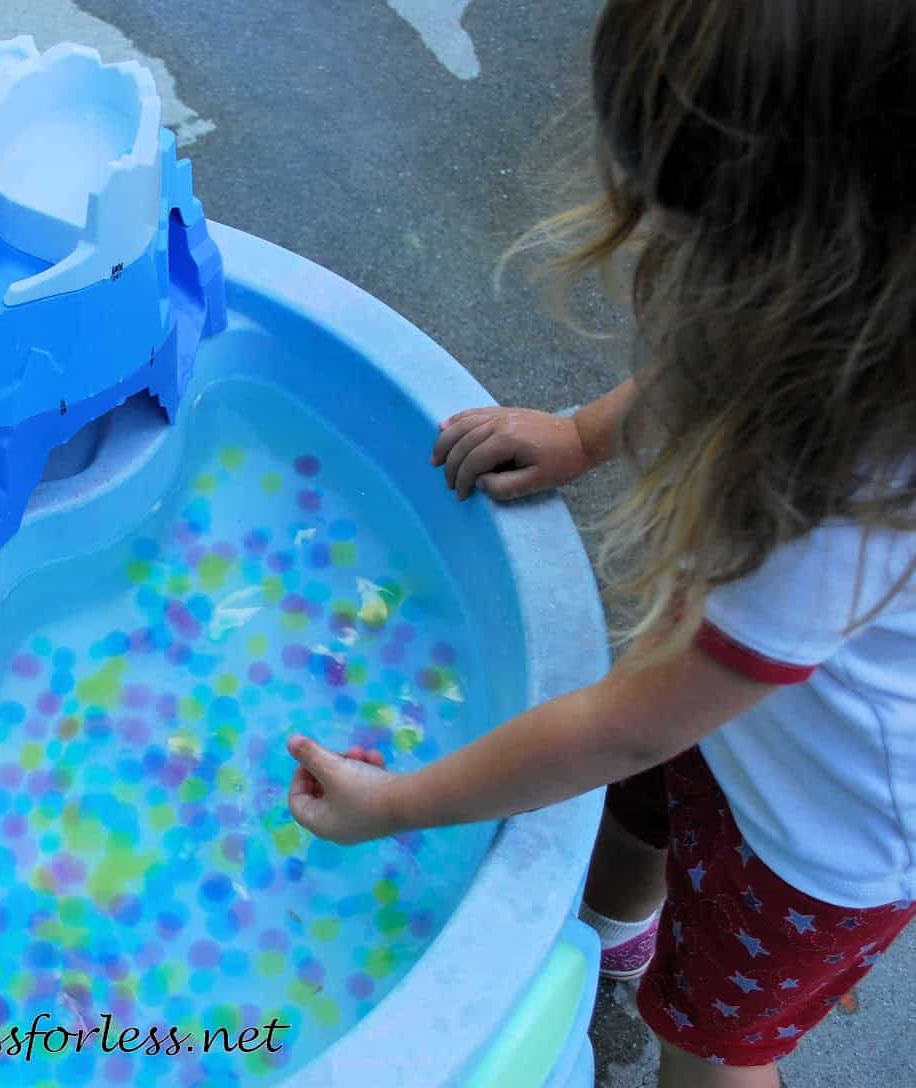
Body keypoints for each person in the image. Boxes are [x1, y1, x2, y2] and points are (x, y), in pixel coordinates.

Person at [284, 2, 916, 1085]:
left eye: (679, 214)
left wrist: (391, 806)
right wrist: (584, 435)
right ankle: (603, 936)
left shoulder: (820, 514)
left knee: (715, 1041)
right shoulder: (839, 307)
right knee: (642, 813)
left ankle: (655, 982)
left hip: (821, 844)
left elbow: (616, 729)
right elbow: (716, 356)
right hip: (735, 721)